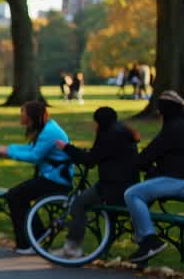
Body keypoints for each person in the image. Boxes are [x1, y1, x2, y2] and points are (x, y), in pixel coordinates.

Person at [121, 90, 184, 262]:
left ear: (166, 110)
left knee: (133, 194)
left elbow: (146, 156)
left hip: (181, 183)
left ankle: (150, 240)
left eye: (161, 110)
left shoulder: (174, 129)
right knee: (142, 191)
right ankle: (144, 244)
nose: (159, 113)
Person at [52, 107, 140, 258]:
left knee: (79, 204)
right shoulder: (122, 131)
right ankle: (103, 250)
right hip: (127, 185)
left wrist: (67, 148)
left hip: (113, 188)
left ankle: (73, 247)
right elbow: (98, 155)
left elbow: (89, 160)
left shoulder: (109, 135)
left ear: (100, 122)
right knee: (106, 214)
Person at [0, 101, 74, 254]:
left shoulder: (50, 131)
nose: (20, 116)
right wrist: (9, 148)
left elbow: (34, 156)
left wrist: (8, 152)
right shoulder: (46, 128)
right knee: (17, 196)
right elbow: (31, 148)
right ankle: (35, 237)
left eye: (22, 113)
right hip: (51, 178)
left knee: (15, 196)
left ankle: (28, 243)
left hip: (57, 182)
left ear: (31, 116)